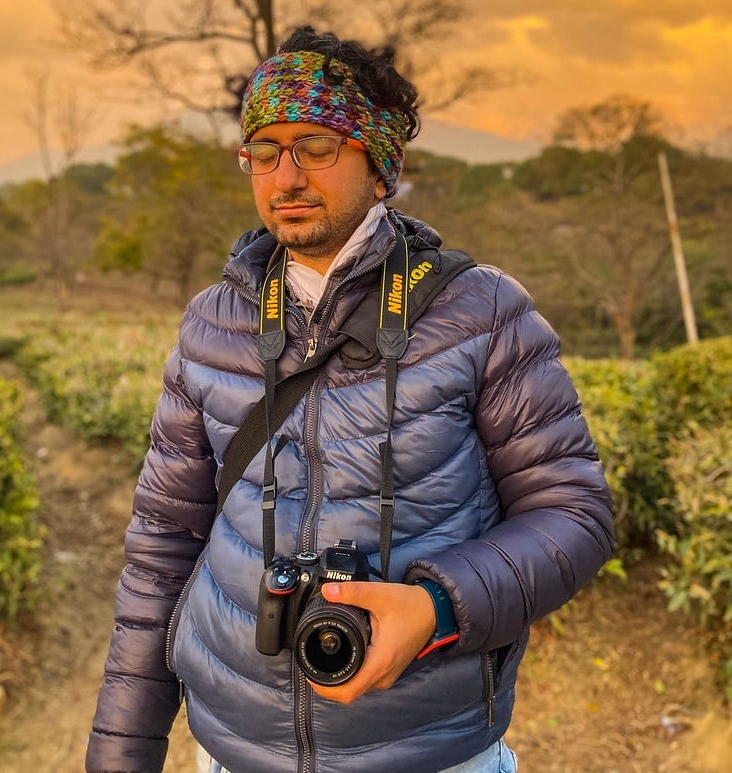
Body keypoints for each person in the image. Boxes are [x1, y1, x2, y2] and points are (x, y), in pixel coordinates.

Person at [86, 25, 614, 773]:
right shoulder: (213, 322)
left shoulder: (483, 311)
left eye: (317, 146)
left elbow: (575, 514)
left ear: (379, 166)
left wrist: (435, 608)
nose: (286, 176)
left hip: (432, 752)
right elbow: (160, 552)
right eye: (263, 151)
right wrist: (120, 757)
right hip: (234, 752)